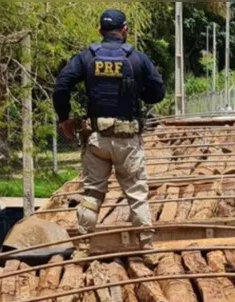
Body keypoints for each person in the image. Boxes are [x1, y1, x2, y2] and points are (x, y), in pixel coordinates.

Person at [53, 9, 165, 250]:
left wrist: (64, 118)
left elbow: (62, 86)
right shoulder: (138, 58)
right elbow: (158, 92)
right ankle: (146, 250)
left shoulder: (86, 57)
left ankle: (83, 248)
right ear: (124, 31)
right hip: (128, 142)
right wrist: (137, 91)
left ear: (99, 31)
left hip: (96, 141)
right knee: (136, 195)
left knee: (92, 195)